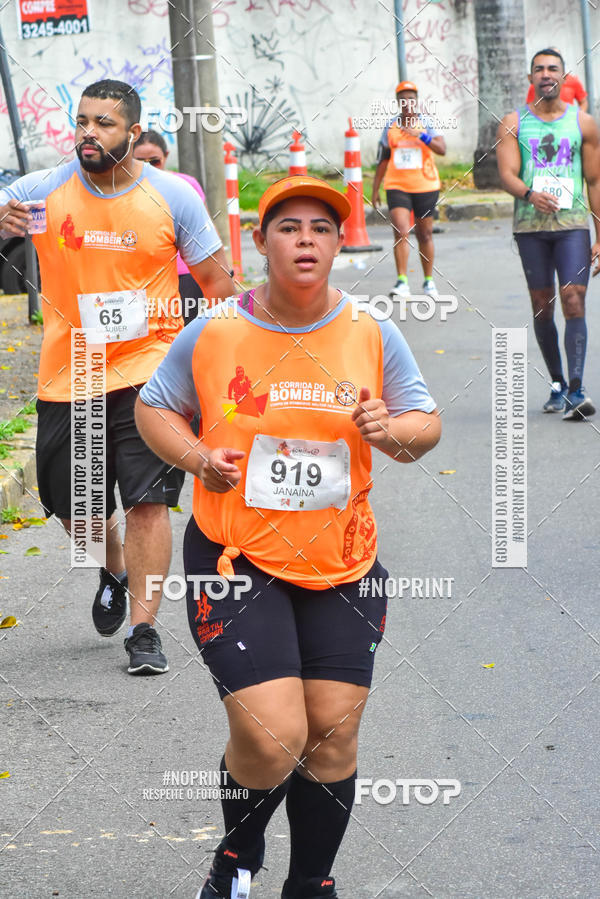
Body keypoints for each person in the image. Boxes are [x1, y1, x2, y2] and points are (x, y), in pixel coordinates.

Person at [135, 174, 441, 897]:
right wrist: (197, 458)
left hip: (343, 559)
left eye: (321, 228)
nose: (306, 239)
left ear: (338, 244)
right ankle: (236, 860)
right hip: (236, 558)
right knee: (273, 735)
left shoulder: (371, 331)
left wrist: (390, 430)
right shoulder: (216, 329)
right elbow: (155, 407)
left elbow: (424, 424)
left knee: (332, 731)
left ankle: (311, 883)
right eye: (289, 227)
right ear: (261, 242)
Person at [0, 79, 235, 674]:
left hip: (150, 372)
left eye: (103, 123)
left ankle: (144, 630)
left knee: (147, 503)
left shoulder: (171, 196)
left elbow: (219, 285)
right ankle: (115, 569)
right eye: (81, 121)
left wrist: (215, 366)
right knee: (75, 509)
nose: (88, 133)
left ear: (132, 132)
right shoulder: (40, 190)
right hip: (71, 371)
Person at [497, 48, 600, 419]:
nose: (546, 74)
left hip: (572, 226)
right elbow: (507, 173)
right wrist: (530, 194)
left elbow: (594, 181)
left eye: (553, 68)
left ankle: (577, 389)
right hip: (530, 228)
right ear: (531, 79)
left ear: (564, 77)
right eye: (539, 69)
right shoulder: (514, 122)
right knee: (543, 307)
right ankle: (557, 383)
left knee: (573, 298)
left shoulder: (583, 123)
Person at [372, 80, 446, 300]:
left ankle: (428, 281)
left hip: (425, 185)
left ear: (417, 101)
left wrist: (420, 135)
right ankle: (402, 281)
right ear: (398, 103)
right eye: (403, 100)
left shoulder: (426, 123)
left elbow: (442, 149)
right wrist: (375, 190)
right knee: (401, 230)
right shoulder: (390, 126)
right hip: (397, 185)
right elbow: (383, 160)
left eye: (411, 99)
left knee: (424, 234)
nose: (407, 103)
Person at [134, 130, 206, 325]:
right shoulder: (122, 190)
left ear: (165, 156)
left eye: (154, 161)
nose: (148, 168)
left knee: (185, 334)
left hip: (185, 275)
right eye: (140, 161)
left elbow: (204, 231)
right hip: (141, 278)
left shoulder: (186, 184)